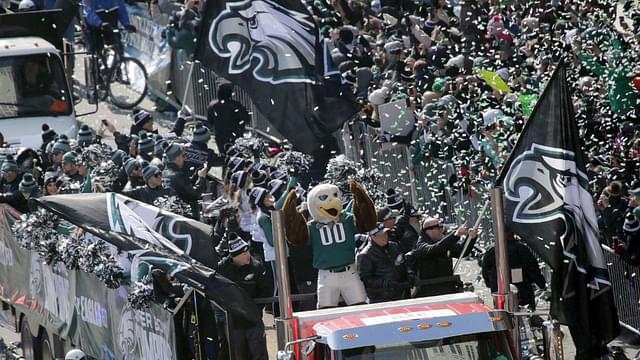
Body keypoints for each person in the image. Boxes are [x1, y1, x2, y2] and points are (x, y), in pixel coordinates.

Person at [216, 236, 270, 360]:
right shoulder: (222, 268)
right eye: (244, 253)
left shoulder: (256, 267)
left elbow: (267, 289)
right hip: (233, 322)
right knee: (238, 355)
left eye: (248, 252)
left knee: (259, 354)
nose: (248, 256)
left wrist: (255, 308)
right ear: (235, 256)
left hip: (254, 320)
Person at [409, 217, 478, 297]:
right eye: (439, 228)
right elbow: (434, 250)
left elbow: (461, 252)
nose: (441, 230)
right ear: (429, 230)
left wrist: (471, 238)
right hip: (429, 292)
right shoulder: (421, 245)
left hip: (448, 288)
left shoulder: (443, 242)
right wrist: (455, 235)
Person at [481, 232, 546, 310]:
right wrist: (541, 283)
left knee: (502, 310)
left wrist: (490, 283)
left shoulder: (492, 249)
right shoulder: (520, 248)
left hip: (499, 287)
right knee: (525, 309)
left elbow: (485, 270)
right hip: (521, 287)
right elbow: (532, 268)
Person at [357, 223, 410, 303]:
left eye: (385, 233)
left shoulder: (395, 246)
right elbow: (365, 279)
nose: (385, 236)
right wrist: (385, 282)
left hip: (401, 293)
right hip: (380, 298)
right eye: (381, 235)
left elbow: (403, 264)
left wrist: (410, 274)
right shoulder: (365, 255)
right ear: (372, 236)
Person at [161, 143, 208, 220]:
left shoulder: (164, 173)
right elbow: (194, 194)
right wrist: (201, 178)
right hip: (186, 217)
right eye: (183, 156)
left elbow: (185, 187)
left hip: (175, 214)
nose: (185, 158)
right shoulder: (177, 175)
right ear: (176, 158)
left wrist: (196, 175)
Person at [207, 83, 250, 152]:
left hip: (220, 136)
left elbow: (210, 121)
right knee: (237, 156)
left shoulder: (213, 106)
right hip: (236, 136)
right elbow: (247, 119)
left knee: (223, 155)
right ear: (230, 94)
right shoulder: (236, 105)